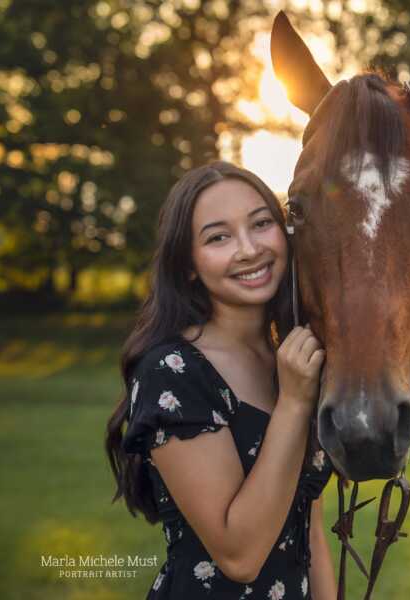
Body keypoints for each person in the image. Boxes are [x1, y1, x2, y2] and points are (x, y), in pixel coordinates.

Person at [105, 161, 336, 599]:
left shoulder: (288, 360)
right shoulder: (173, 373)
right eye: (218, 237)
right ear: (188, 265)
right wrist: (292, 404)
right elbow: (239, 555)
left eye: (261, 223)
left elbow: (312, 534)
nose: (248, 249)